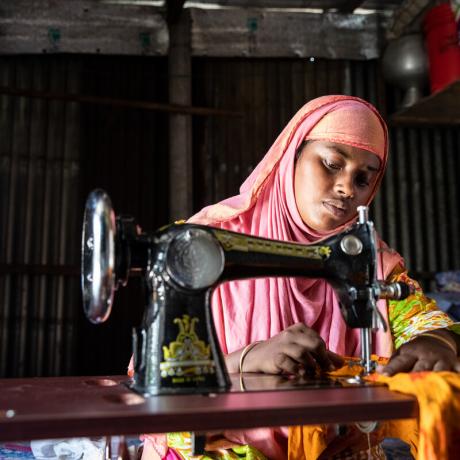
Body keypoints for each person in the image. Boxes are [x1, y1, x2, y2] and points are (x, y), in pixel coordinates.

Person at [139, 95, 460, 460]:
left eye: (363, 178)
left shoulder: (371, 262)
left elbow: (422, 322)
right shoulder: (197, 247)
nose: (346, 188)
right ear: (291, 156)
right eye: (331, 164)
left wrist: (440, 341)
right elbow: (153, 386)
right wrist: (243, 362)